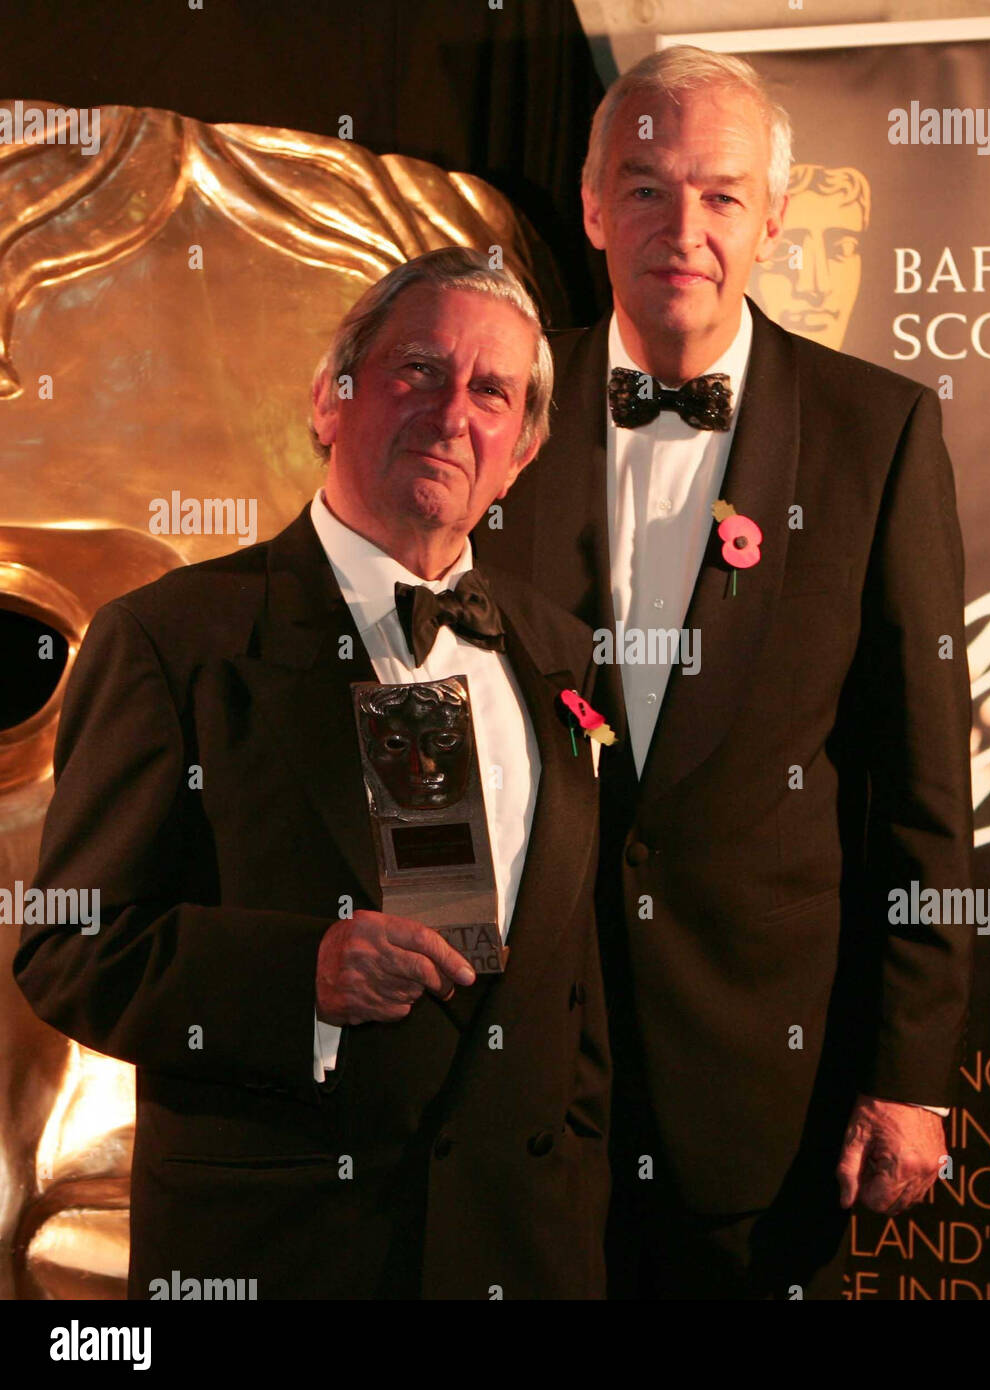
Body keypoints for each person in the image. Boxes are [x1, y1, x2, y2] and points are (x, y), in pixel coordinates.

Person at [13, 247, 611, 1300]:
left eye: (491, 391)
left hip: (525, 1256)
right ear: (330, 400)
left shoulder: (560, 649)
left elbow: (577, 976)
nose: (449, 411)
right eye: (417, 370)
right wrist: (305, 977)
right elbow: (70, 944)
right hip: (278, 1254)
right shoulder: (172, 637)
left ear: (521, 450)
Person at [473, 47, 975, 1299]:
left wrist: (910, 1071)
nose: (682, 228)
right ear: (590, 207)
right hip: (513, 1082)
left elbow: (923, 789)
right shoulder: (491, 417)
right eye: (643, 188)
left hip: (762, 1089)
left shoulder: (879, 431)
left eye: (720, 193)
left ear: (773, 217)